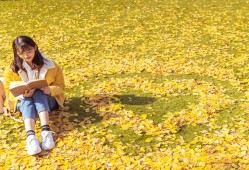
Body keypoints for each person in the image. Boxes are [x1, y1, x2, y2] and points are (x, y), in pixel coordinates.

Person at [4, 36, 65, 155]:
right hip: (23, 102)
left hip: (48, 99)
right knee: (27, 101)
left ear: (35, 48)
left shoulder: (51, 65)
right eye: (22, 53)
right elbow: (8, 91)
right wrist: (22, 95)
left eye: (29, 51)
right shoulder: (12, 69)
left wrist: (49, 89)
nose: (26, 55)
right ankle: (31, 137)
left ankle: (46, 132)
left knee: (38, 92)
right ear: (17, 53)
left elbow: (61, 86)